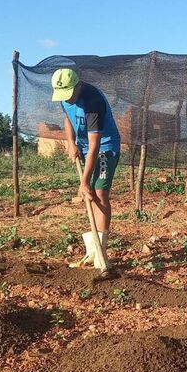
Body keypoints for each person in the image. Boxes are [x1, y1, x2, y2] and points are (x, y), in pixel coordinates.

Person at [51, 68, 121, 267]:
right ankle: (93, 250)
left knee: (99, 194)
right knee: (90, 195)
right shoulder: (66, 98)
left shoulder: (93, 102)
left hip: (105, 147)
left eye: (69, 94)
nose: (67, 99)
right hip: (83, 146)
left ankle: (100, 251)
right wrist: (71, 142)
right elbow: (67, 118)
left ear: (78, 86)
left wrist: (83, 182)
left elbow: (95, 146)